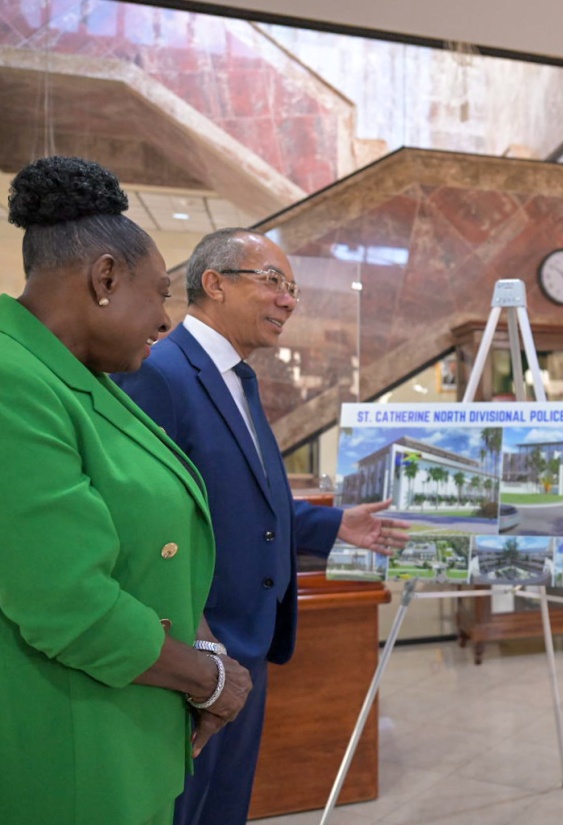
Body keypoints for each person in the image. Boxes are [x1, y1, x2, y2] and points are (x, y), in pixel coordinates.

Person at [113, 227, 409, 825]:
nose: (288, 300)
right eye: (273, 281)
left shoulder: (238, 378)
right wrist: (195, 652)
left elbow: (240, 502)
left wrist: (335, 525)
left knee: (225, 806)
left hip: (246, 645)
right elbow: (141, 523)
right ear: (214, 283)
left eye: (293, 288)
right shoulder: (160, 373)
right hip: (197, 655)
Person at [0, 156, 251, 824]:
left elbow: (157, 539)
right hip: (66, 749)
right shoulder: (12, 379)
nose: (165, 321)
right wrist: (211, 679)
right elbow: (67, 601)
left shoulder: (86, 379)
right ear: (105, 277)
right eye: (160, 294)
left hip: (126, 727)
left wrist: (206, 647)